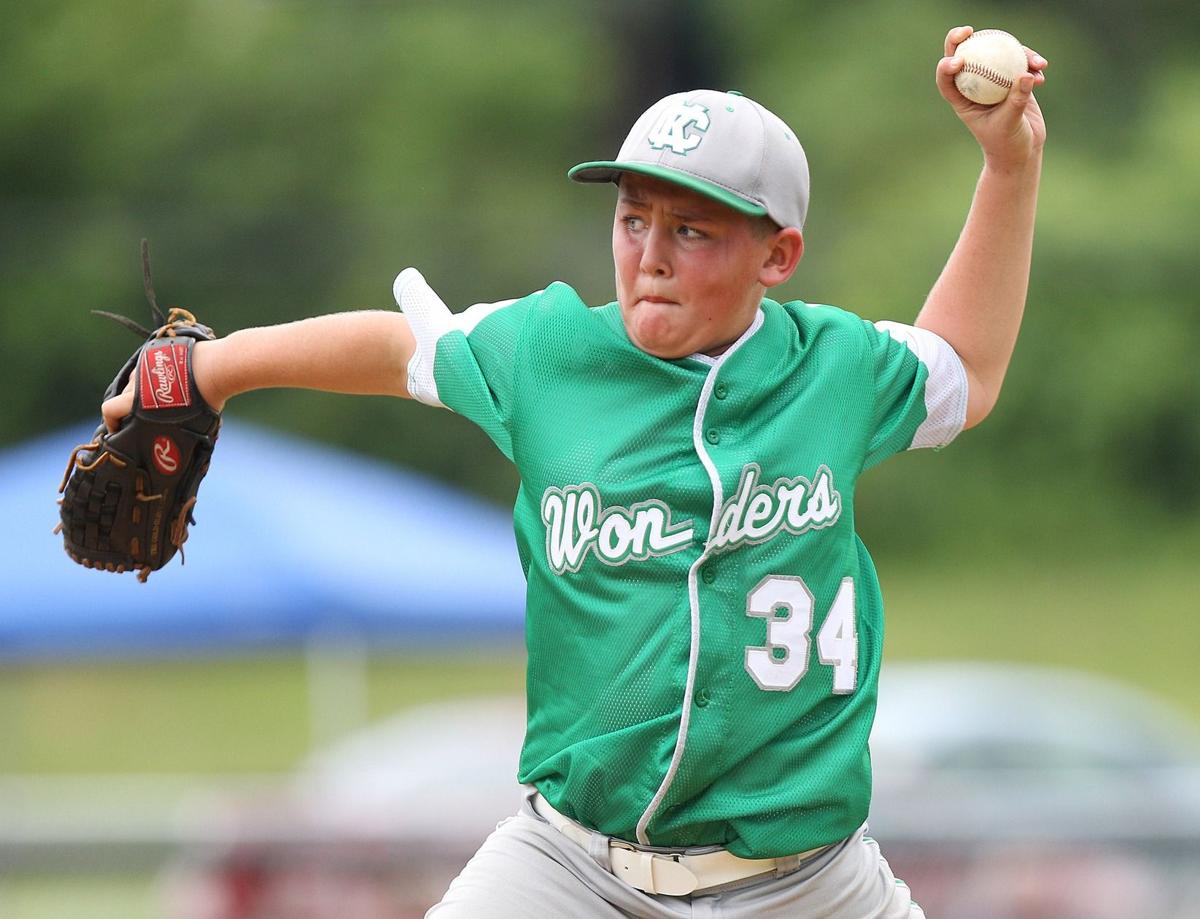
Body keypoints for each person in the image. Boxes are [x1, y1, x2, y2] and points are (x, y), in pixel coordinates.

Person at [104, 25, 1047, 918]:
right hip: (572, 866)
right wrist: (209, 368)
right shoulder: (550, 354)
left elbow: (964, 367)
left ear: (779, 254)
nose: (650, 258)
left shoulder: (832, 370)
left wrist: (1009, 164)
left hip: (805, 879)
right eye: (634, 219)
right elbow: (399, 349)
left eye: (693, 231)